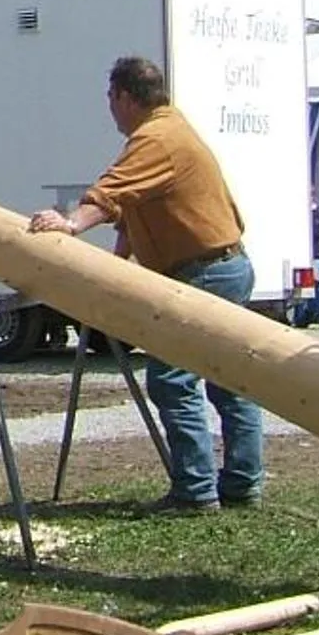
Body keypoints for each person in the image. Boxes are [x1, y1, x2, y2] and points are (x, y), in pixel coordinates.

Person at [29, 55, 262, 514]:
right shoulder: (169, 127)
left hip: (203, 272)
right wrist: (116, 274)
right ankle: (241, 483)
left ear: (125, 97)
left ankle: (196, 491)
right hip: (223, 265)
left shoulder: (156, 138)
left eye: (110, 99)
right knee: (229, 379)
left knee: (174, 380)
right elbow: (132, 210)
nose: (109, 109)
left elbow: (111, 193)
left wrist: (70, 224)